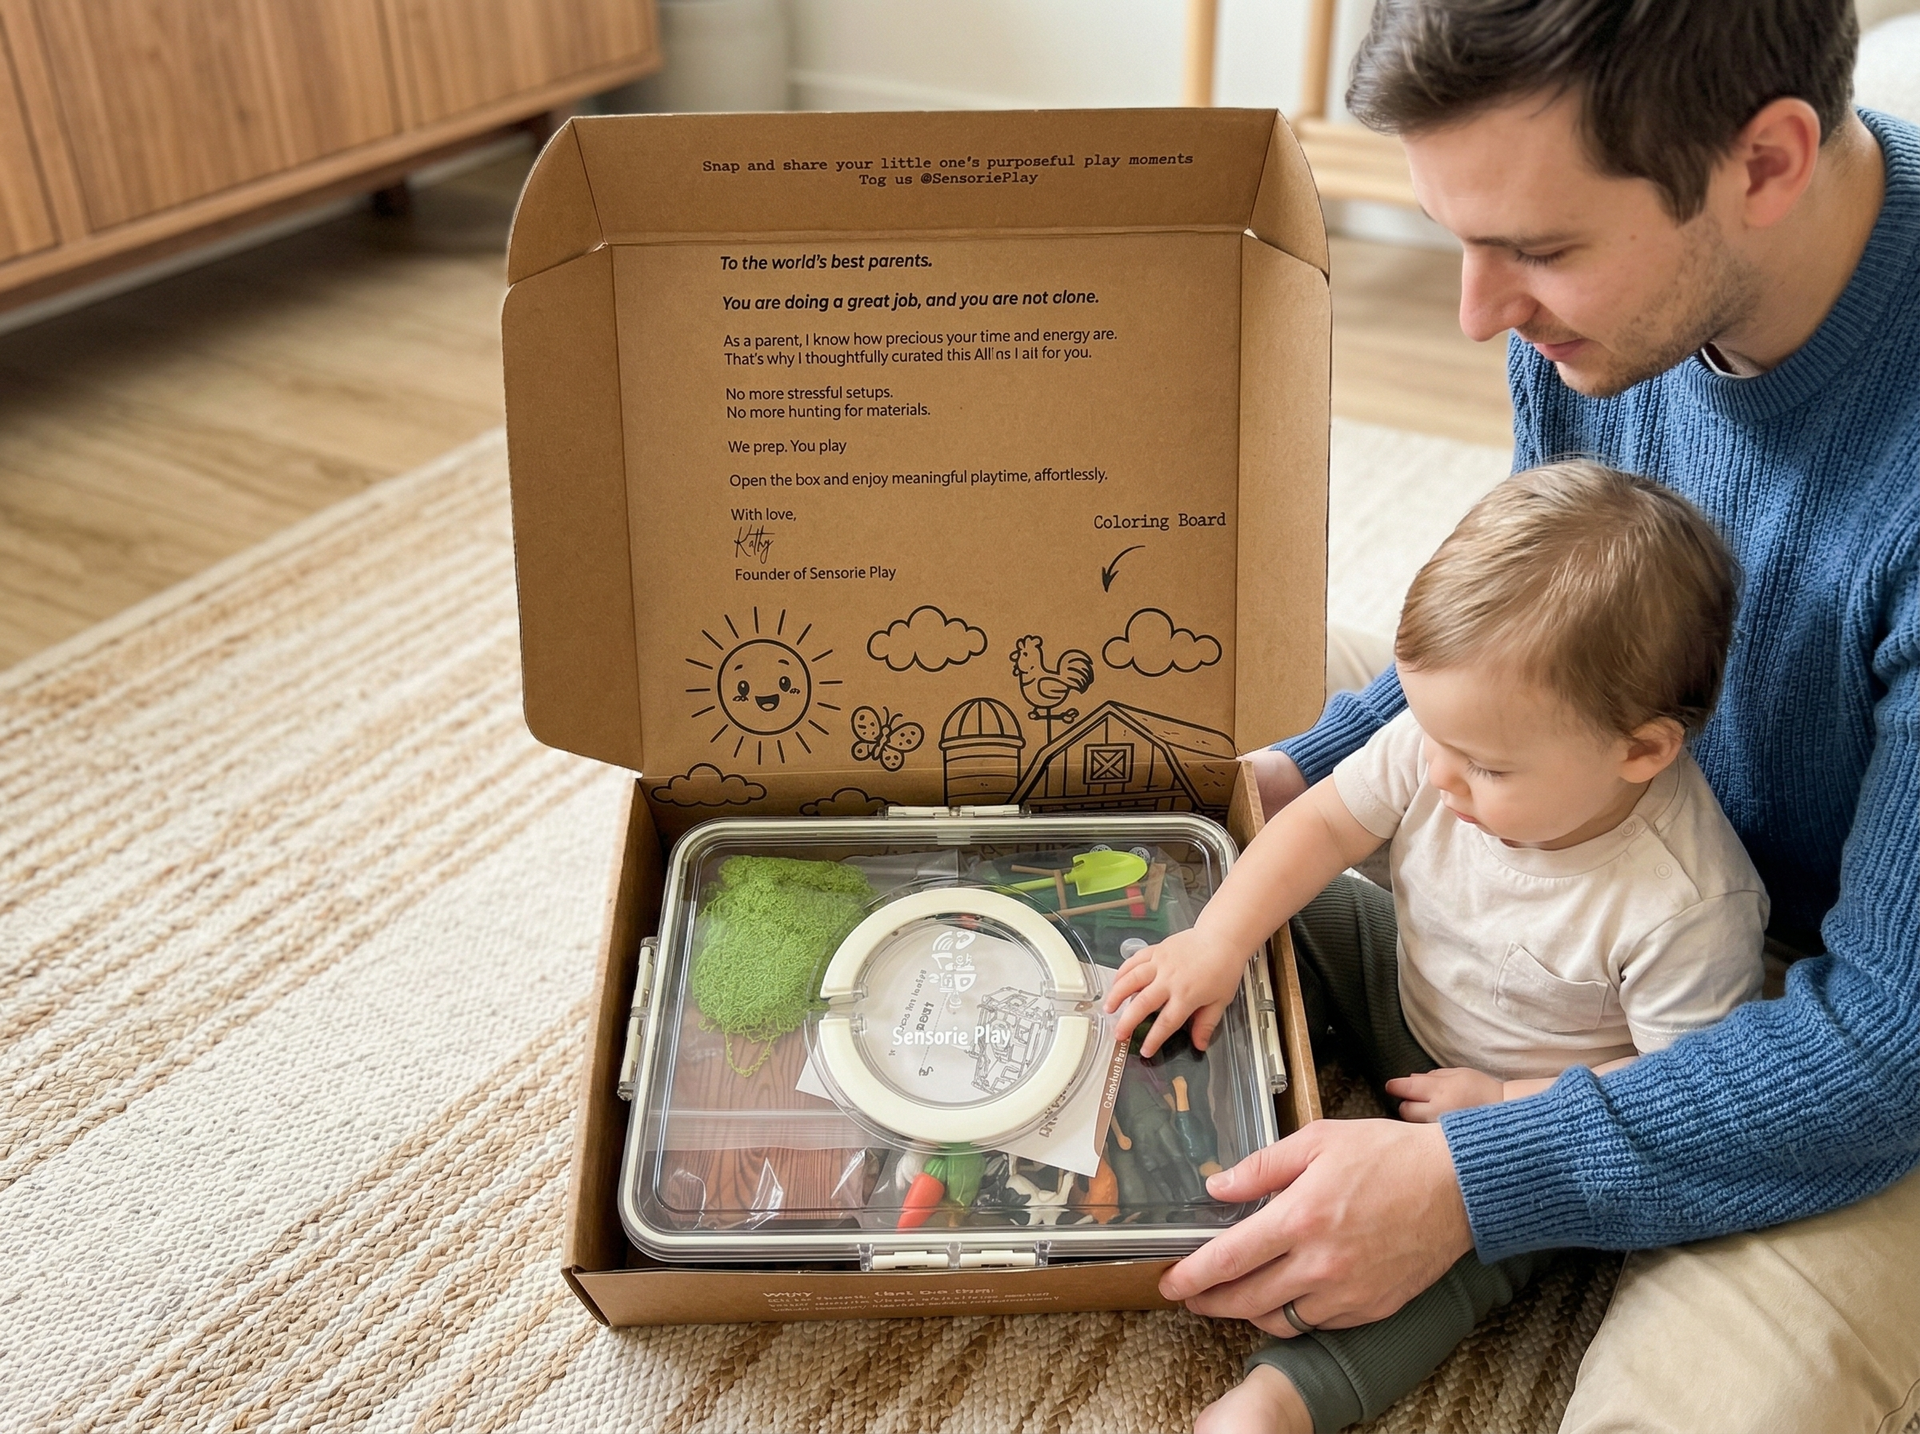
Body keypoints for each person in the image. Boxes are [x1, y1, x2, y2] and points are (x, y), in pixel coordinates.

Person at [1161, 2, 1920, 1429]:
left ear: (1766, 162)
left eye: (1545, 248)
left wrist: (1484, 1169)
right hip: (1584, 780)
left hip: (1841, 999)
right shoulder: (1595, 332)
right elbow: (1521, 651)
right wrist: (1287, 774)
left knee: (1733, 1405)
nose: (1478, 311)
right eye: (1464, 236)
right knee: (1199, 695)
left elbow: (1885, 1046)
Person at [1109, 461, 1765, 1433]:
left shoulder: (1687, 901)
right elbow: (1325, 826)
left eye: (1488, 767)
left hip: (1521, 1115)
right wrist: (1216, 939)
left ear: (1642, 751)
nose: (1442, 779)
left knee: (1456, 1272)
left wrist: (1501, 1108)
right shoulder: (1439, 741)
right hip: (1399, 979)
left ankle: (1284, 1400)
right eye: (1433, 738)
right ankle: (1211, 1030)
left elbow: (1672, 1093)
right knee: (1277, 907)